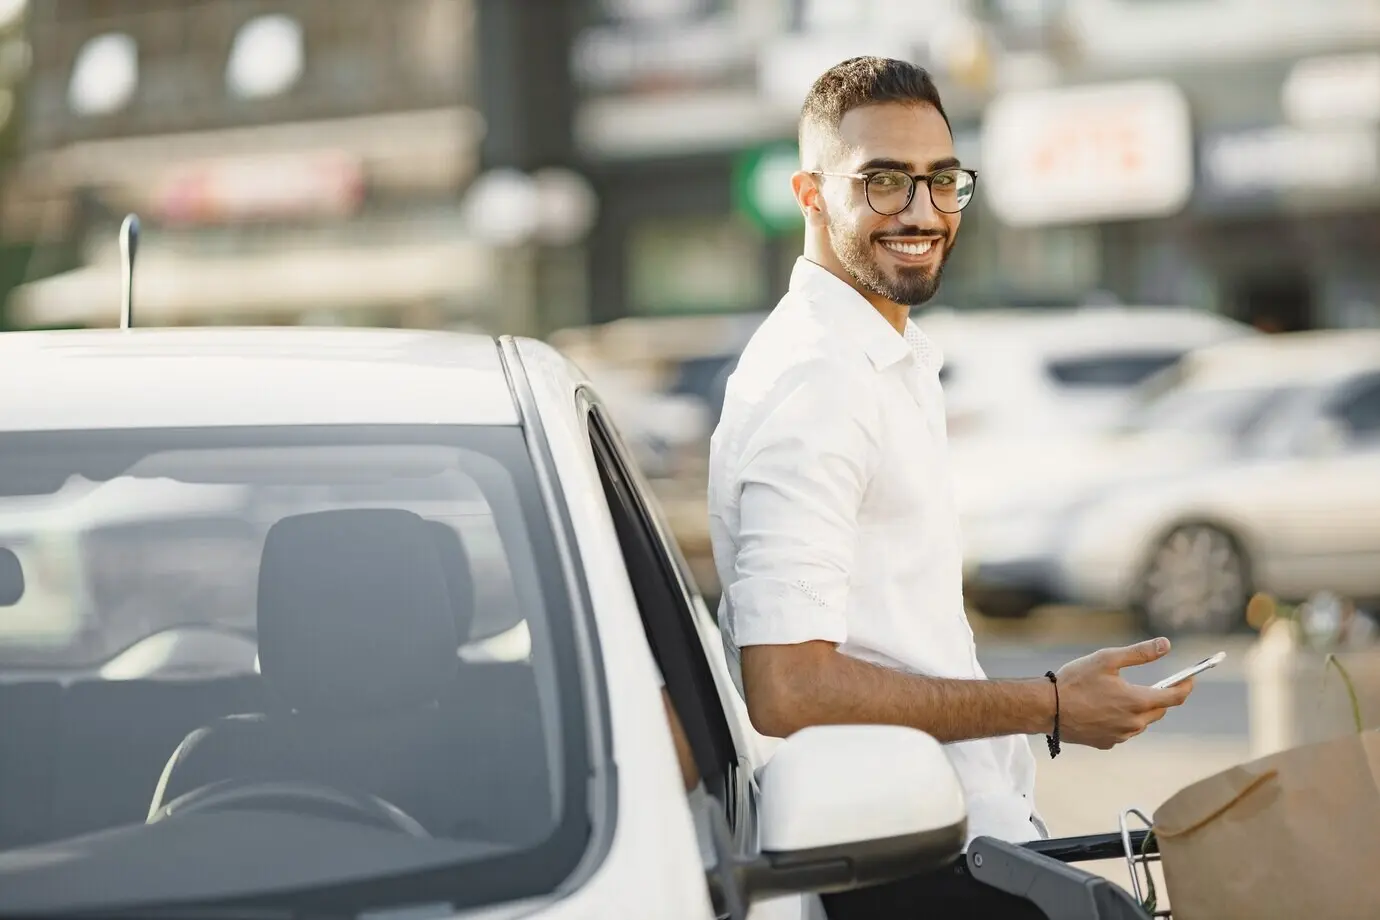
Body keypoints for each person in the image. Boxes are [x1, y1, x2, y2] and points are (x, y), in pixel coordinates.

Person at [706, 56, 1196, 918]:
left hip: (956, 841)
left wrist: (1042, 705)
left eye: (942, 181)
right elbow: (787, 686)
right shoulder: (817, 382)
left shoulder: (882, 357)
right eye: (884, 183)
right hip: (899, 868)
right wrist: (1047, 705)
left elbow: (895, 643)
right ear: (811, 194)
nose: (923, 213)